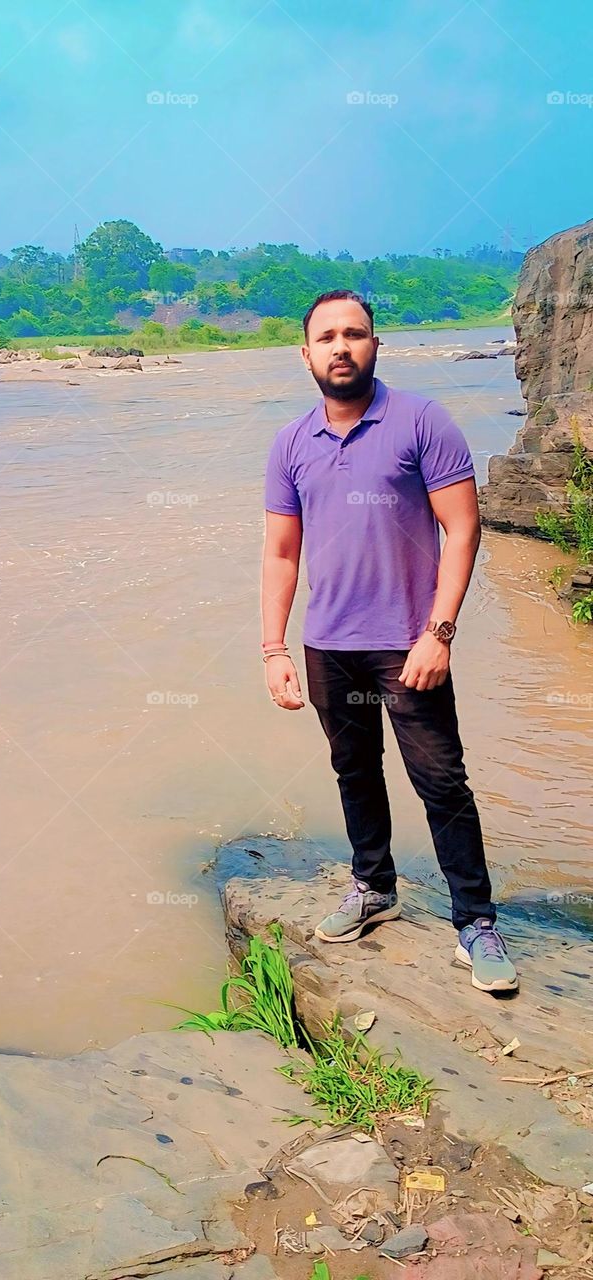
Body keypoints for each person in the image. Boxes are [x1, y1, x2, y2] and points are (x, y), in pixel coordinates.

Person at [261, 288, 518, 995]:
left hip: (409, 644)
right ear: (306, 353)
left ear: (376, 344)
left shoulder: (421, 421)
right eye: (328, 337)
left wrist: (439, 633)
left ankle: (476, 922)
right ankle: (374, 887)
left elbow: (463, 528)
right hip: (329, 643)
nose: (341, 347)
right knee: (355, 771)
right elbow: (282, 554)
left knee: (441, 782)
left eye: (356, 333)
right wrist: (274, 649)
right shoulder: (290, 443)